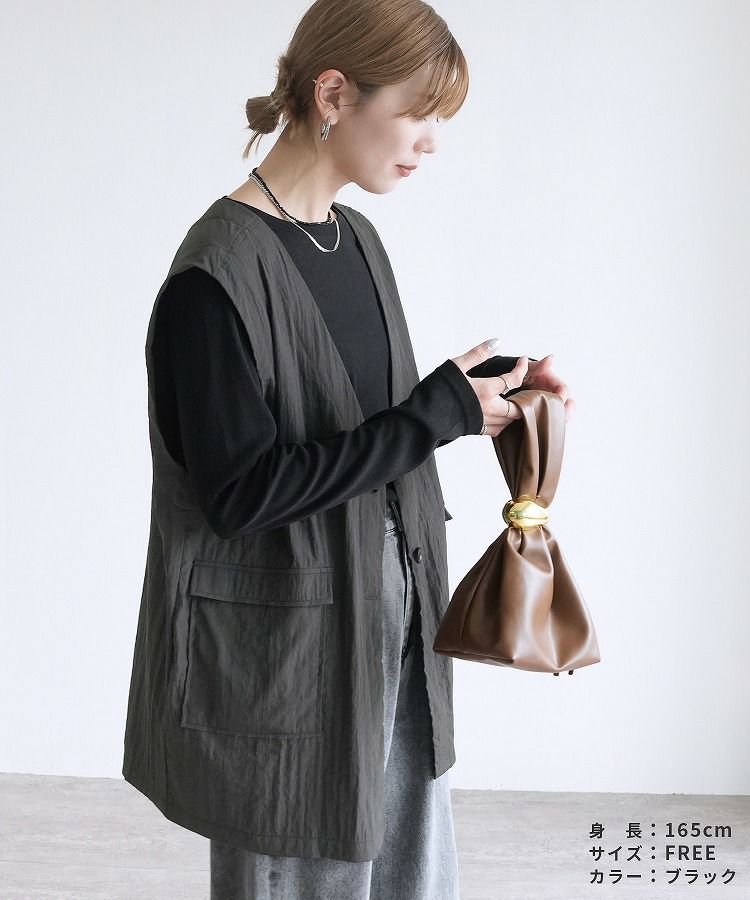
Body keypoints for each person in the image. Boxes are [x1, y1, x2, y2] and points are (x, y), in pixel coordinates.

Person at [121, 1, 575, 898]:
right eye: (417, 113)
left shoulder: (355, 238)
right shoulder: (212, 279)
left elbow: (353, 423)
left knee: (411, 876)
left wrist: (488, 397)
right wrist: (426, 418)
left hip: (394, 633)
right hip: (284, 664)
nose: (431, 142)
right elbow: (241, 492)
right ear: (333, 95)